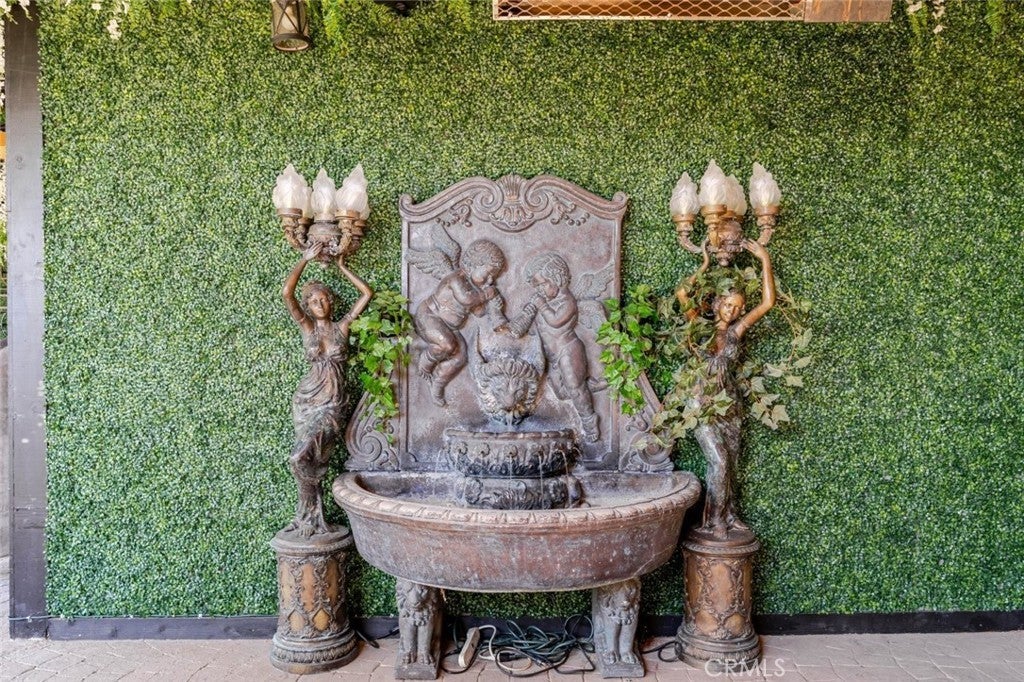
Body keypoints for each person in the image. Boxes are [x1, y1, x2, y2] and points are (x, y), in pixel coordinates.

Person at [677, 239, 775, 537]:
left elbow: (767, 304)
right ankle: (715, 521)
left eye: (738, 307)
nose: (733, 311)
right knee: (718, 462)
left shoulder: (736, 332)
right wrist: (705, 262)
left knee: (730, 464)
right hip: (701, 404)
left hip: (730, 404)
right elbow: (682, 292)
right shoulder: (698, 325)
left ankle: (728, 515)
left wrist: (764, 259)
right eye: (729, 304)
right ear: (717, 302)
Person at [281, 241, 372, 536]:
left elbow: (366, 294)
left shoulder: (341, 327)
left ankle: (310, 516)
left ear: (330, 302)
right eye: (314, 302)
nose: (319, 305)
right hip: (307, 399)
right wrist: (305, 260)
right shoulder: (307, 328)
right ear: (308, 307)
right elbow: (287, 294)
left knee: (303, 457)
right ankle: (309, 517)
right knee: (304, 458)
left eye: (323, 300)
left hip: (333, 401)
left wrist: (343, 267)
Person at [501, 253, 600, 442]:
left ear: (557, 278)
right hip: (552, 356)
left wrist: (541, 305)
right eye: (537, 286)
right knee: (561, 393)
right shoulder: (545, 301)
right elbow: (531, 327)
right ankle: (588, 386)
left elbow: (555, 320)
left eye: (543, 284)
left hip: (568, 349)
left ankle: (589, 420)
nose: (540, 290)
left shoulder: (567, 301)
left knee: (574, 387)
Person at [414, 240, 506, 406]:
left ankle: (438, 383)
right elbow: (466, 299)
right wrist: (486, 295)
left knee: (460, 357)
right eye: (489, 273)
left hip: (450, 328)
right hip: (430, 316)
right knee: (447, 345)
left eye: (494, 276)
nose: (491, 280)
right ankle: (425, 363)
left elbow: (478, 312)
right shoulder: (456, 278)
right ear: (474, 264)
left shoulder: (476, 288)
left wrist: (493, 306)